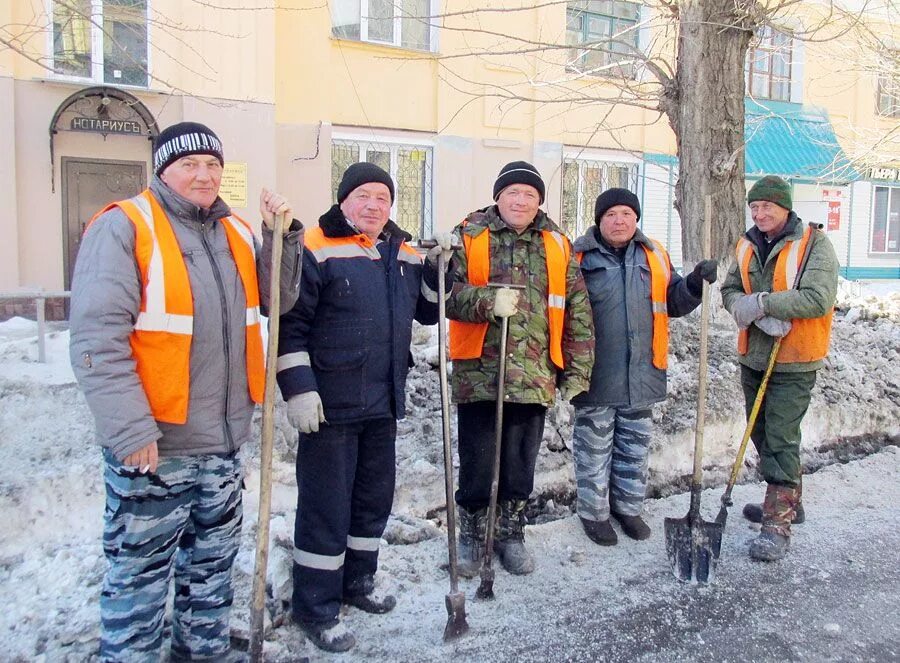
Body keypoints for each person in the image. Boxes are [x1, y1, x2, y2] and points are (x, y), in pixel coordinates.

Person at [69, 121, 303, 662]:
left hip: (222, 443)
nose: (204, 175)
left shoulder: (235, 231)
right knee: (140, 577)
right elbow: (96, 340)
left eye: (213, 164)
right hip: (157, 446)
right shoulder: (126, 225)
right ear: (163, 169)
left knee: (211, 571)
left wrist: (280, 236)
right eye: (189, 164)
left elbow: (278, 300)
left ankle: (203, 653)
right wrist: (129, 429)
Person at [276, 162, 453, 653]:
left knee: (372, 502)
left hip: (382, 402)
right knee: (326, 508)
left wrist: (441, 268)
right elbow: (289, 326)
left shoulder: (402, 250)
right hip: (329, 407)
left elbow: (429, 310)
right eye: (364, 196)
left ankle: (357, 581)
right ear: (344, 200)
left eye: (383, 198)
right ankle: (316, 607)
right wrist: (298, 388)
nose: (374, 206)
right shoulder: (316, 246)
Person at [446, 160, 594, 577]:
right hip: (480, 371)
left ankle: (510, 532)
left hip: (534, 373)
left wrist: (578, 370)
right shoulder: (469, 235)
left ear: (539, 202)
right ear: (498, 196)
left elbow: (578, 310)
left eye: (530, 194)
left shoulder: (557, 244)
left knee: (519, 462)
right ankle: (473, 532)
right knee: (477, 462)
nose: (521, 201)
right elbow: (445, 294)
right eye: (513, 192)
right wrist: (486, 302)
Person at [570, 188, 717, 546]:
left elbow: (674, 302)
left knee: (634, 450)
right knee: (593, 450)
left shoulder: (654, 254)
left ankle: (628, 508)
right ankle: (594, 513)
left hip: (642, 372)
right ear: (599, 221)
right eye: (610, 215)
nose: (619, 221)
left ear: (636, 219)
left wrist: (694, 283)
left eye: (626, 214)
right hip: (595, 373)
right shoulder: (578, 257)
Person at [721, 175, 838, 562]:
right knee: (760, 433)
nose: (759, 214)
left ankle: (777, 524)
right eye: (754, 207)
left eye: (767, 206)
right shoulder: (747, 243)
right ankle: (789, 501)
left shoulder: (813, 244)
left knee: (781, 437)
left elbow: (817, 298)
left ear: (785, 207)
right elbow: (730, 289)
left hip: (794, 358)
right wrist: (741, 306)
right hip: (753, 355)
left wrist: (765, 304)